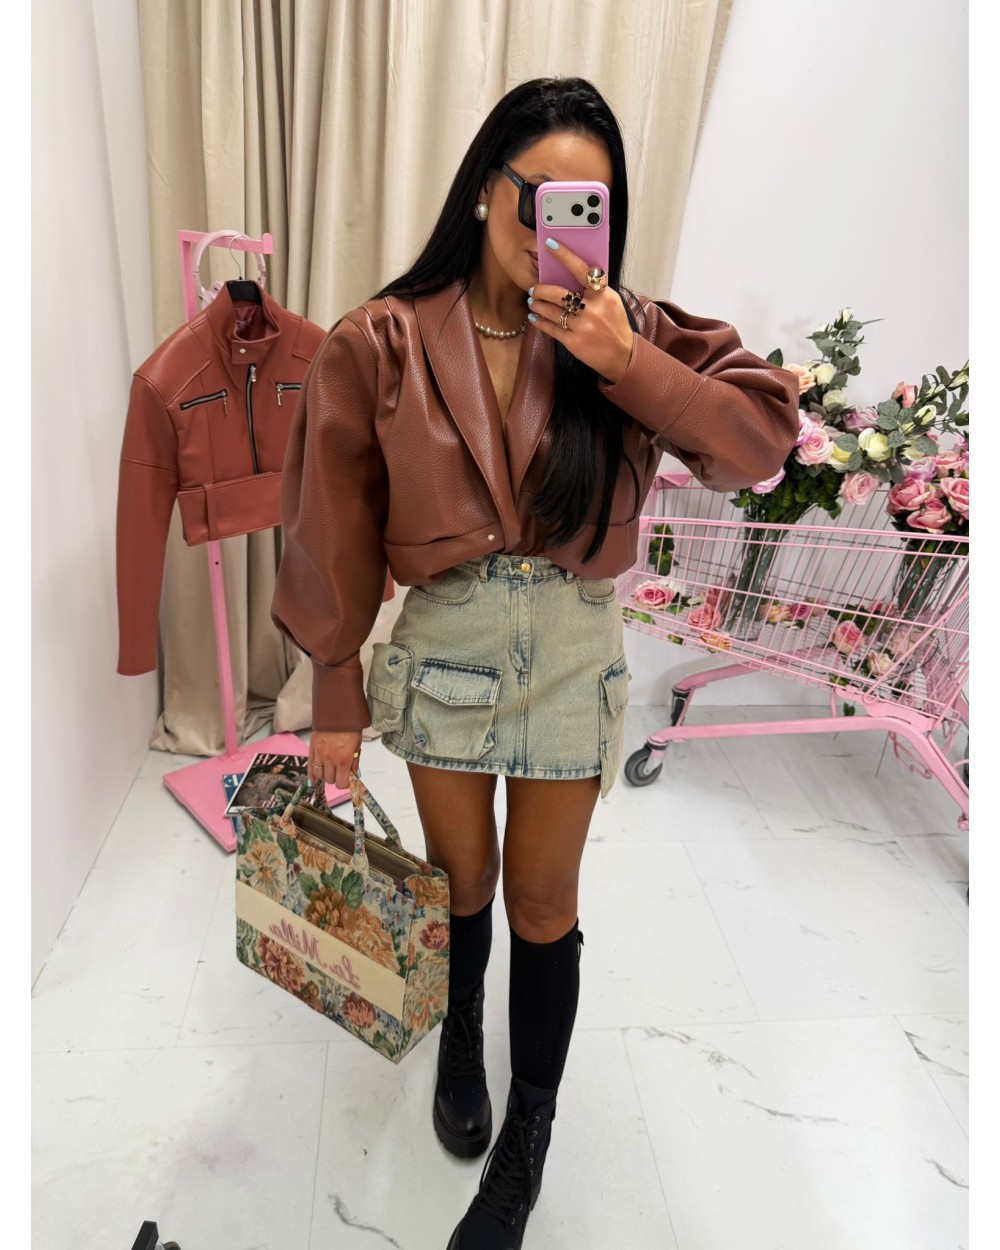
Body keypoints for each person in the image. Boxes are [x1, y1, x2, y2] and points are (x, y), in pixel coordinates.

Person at [272, 76, 799, 1250]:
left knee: (544, 901)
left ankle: (527, 1135)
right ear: (484, 188)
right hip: (445, 646)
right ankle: (462, 1033)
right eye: (540, 196)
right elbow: (330, 522)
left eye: (589, 206)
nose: (559, 225)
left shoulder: (632, 329)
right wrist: (335, 694)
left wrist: (629, 363)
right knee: (461, 879)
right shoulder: (383, 338)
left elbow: (759, 443)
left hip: (571, 649)